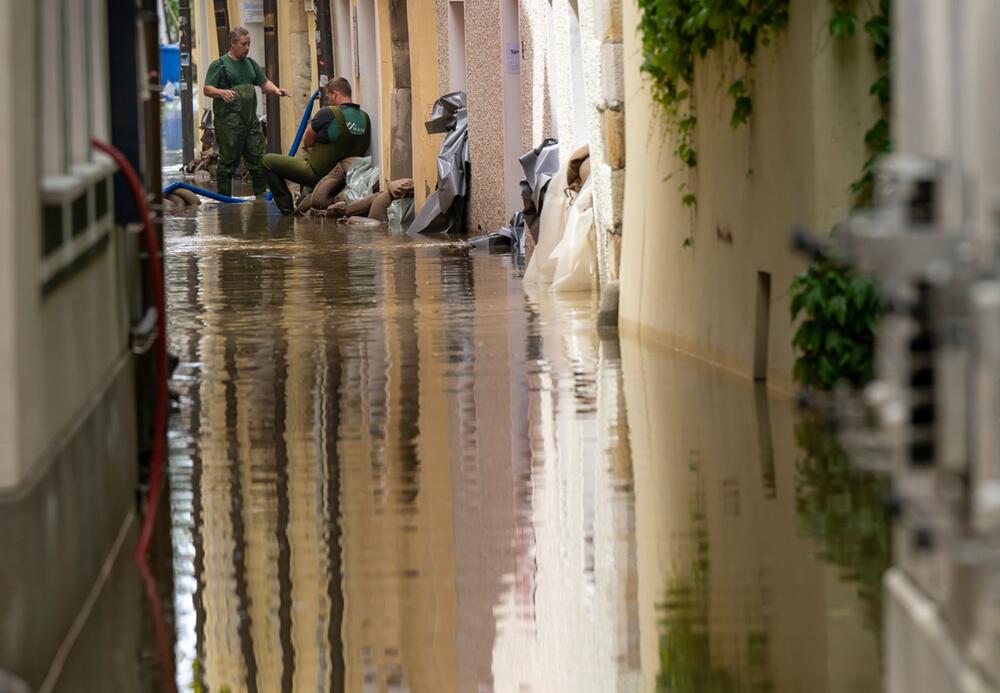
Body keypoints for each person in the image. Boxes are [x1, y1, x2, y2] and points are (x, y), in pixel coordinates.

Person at [262, 77, 371, 214]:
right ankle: (303, 201)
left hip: (317, 173)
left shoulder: (328, 113)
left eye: (329, 96)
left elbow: (307, 141)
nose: (328, 101)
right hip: (347, 178)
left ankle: (287, 209)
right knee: (305, 193)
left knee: (267, 161)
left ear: (335, 94)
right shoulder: (365, 118)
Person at [203, 26, 289, 198]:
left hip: (250, 122)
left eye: (249, 43)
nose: (247, 47)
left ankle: (261, 199)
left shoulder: (250, 64)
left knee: (259, 162)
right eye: (243, 44)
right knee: (227, 164)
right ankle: (224, 201)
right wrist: (221, 93)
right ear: (233, 44)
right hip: (229, 124)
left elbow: (264, 82)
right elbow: (207, 89)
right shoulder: (219, 65)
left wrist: (276, 90)